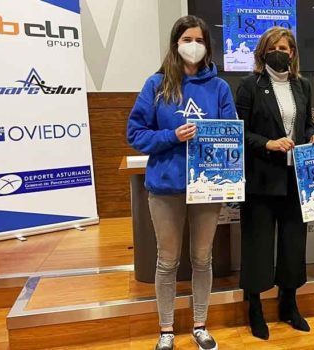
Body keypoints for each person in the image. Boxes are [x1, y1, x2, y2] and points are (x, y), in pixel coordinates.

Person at [126, 15, 236, 350]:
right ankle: (166, 330)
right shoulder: (156, 84)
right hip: (165, 188)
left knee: (203, 258)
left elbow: (232, 134)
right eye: (187, 39)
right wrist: (171, 136)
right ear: (176, 43)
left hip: (207, 188)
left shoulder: (219, 87)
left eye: (199, 40)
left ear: (207, 46)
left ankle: (200, 324)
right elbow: (135, 133)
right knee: (167, 260)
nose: (193, 46)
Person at [235, 26, 314, 340]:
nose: (280, 52)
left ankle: (289, 304)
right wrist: (268, 143)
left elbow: (307, 125)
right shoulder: (249, 85)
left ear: (293, 54)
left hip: (295, 178)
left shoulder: (303, 85)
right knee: (257, 244)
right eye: (274, 47)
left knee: (293, 242)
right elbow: (239, 132)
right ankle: (255, 307)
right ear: (262, 52)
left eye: (286, 48)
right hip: (260, 178)